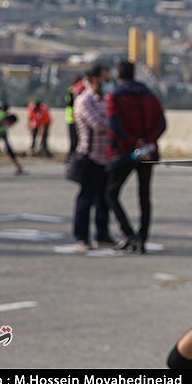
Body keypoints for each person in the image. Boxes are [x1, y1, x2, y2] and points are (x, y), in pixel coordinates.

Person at [105, 60, 167, 255]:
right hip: (148, 152)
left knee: (111, 193)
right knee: (144, 196)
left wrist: (135, 143)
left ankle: (128, 233)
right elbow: (162, 124)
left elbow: (115, 126)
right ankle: (142, 237)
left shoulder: (116, 96)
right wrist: (147, 142)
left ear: (119, 75)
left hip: (126, 152)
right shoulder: (150, 95)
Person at [72, 64, 116, 252]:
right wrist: (116, 126)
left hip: (106, 157)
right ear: (95, 79)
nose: (109, 83)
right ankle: (81, 237)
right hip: (90, 156)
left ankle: (102, 234)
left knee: (104, 199)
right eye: (106, 79)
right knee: (86, 198)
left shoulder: (104, 99)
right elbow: (99, 125)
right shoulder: (84, 100)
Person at [65, 75, 87, 160]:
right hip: (73, 119)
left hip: (76, 119)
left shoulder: (75, 89)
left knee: (77, 141)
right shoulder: (73, 90)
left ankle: (72, 158)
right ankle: (71, 159)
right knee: (74, 141)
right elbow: (70, 103)